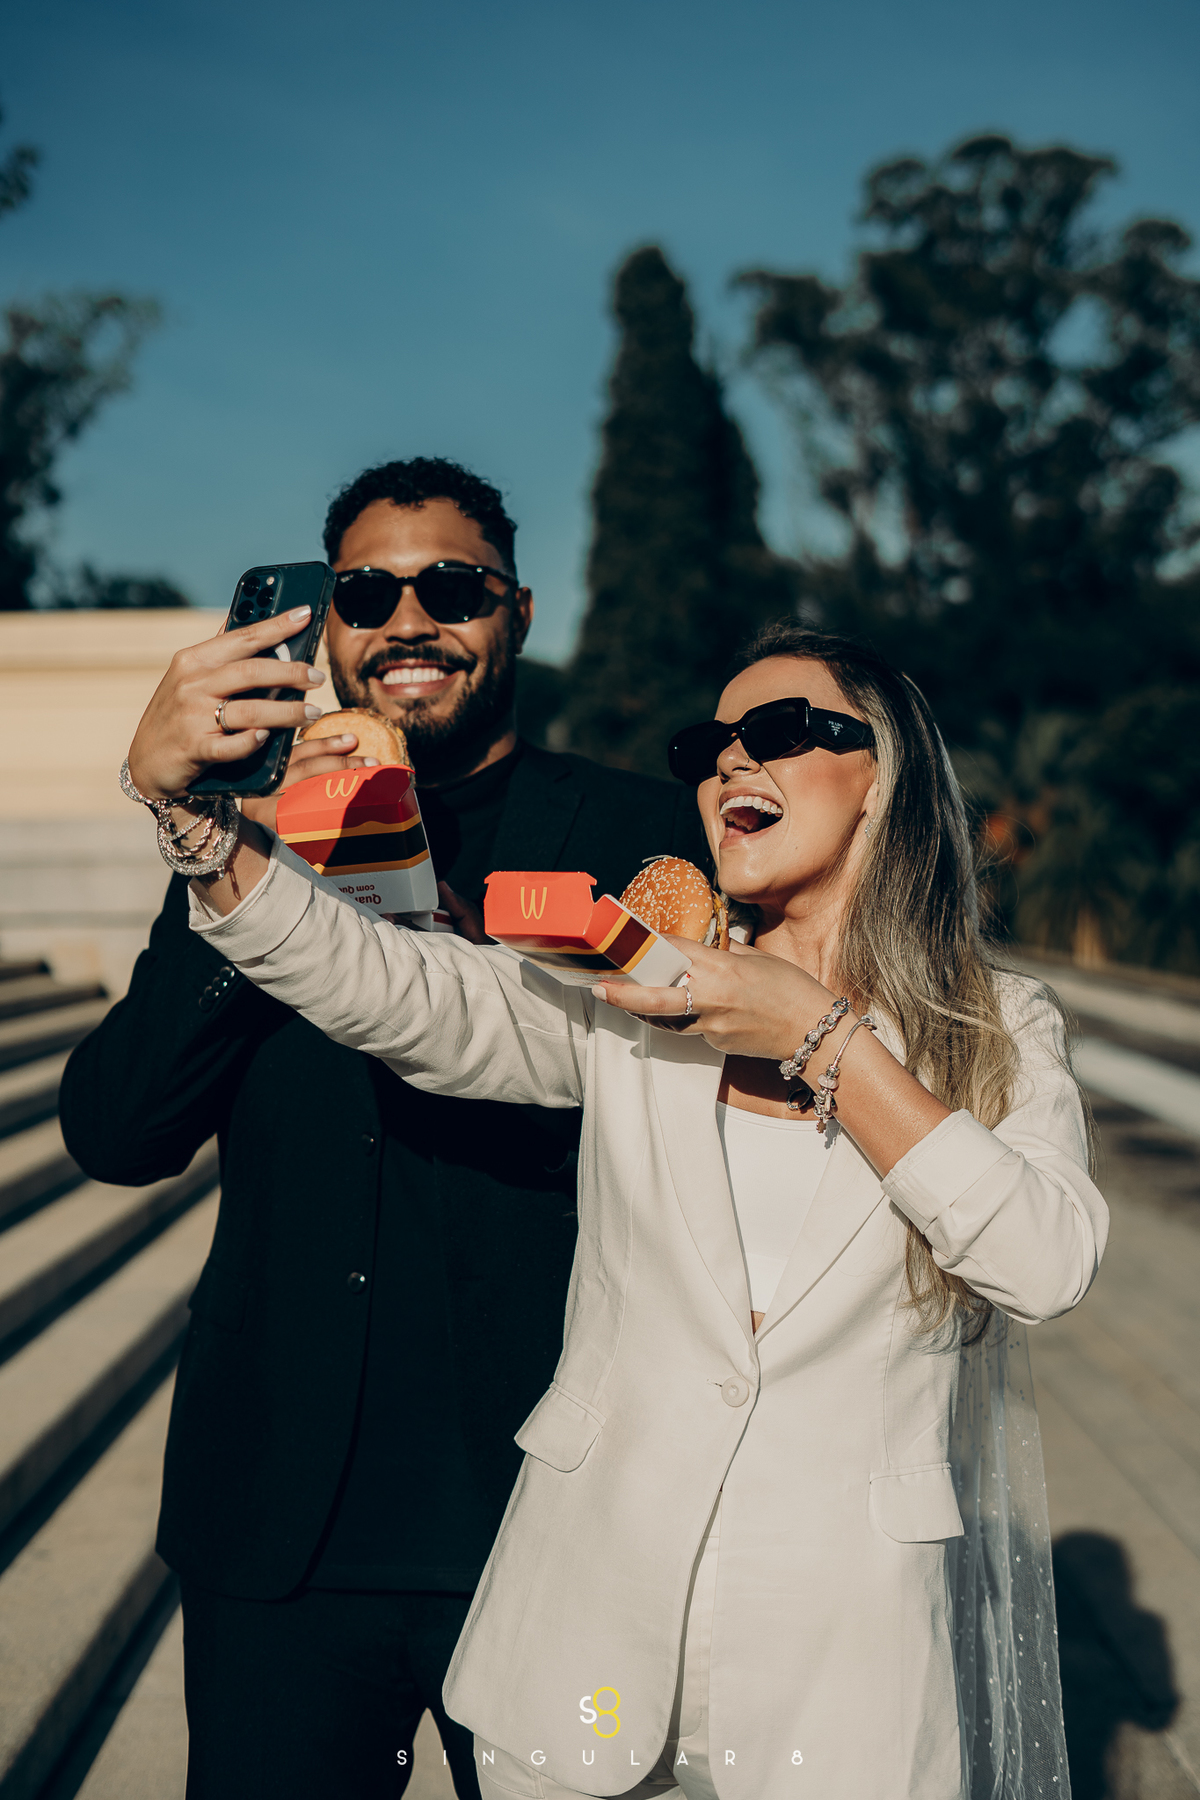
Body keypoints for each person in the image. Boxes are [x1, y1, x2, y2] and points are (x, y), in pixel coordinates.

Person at [120, 614, 1109, 1800]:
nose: (733, 760)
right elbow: (404, 990)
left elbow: (1047, 1262)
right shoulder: (632, 982)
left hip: (844, 1685)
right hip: (581, 1663)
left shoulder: (999, 1026)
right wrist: (197, 826)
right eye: (712, 744)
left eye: (783, 731)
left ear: (884, 776)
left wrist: (815, 1034)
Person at [59, 458, 708, 1800]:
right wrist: (253, 861)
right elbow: (119, 1131)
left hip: (547, 1516)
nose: (409, 620)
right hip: (278, 1528)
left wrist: (402, 891)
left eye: (452, 587)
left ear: (517, 611)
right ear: (325, 626)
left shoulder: (638, 831)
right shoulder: (247, 840)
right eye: (367, 591)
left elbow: (624, 1102)